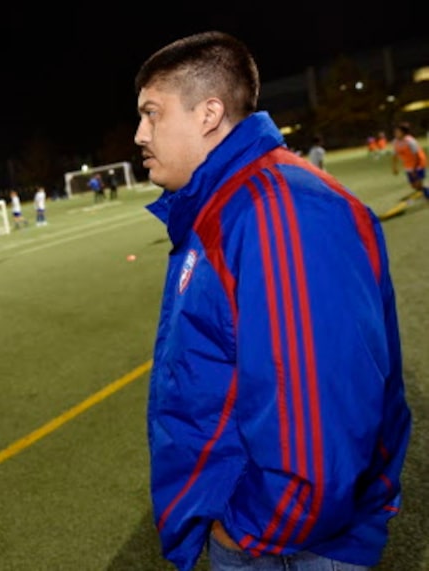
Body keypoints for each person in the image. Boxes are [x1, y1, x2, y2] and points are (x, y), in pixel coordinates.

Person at [134, 32, 411, 571]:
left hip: (289, 546)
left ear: (209, 113)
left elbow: (317, 413)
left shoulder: (277, 212)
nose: (140, 134)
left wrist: (249, 528)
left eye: (152, 113)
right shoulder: (224, 205)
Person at [392, 121, 429, 201]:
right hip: (408, 165)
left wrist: (414, 169)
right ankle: (423, 190)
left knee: (418, 183)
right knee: (414, 185)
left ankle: (427, 194)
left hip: (419, 163)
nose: (395, 133)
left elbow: (417, 156)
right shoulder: (395, 142)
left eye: (398, 132)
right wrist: (394, 167)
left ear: (403, 133)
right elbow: (395, 155)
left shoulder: (410, 141)